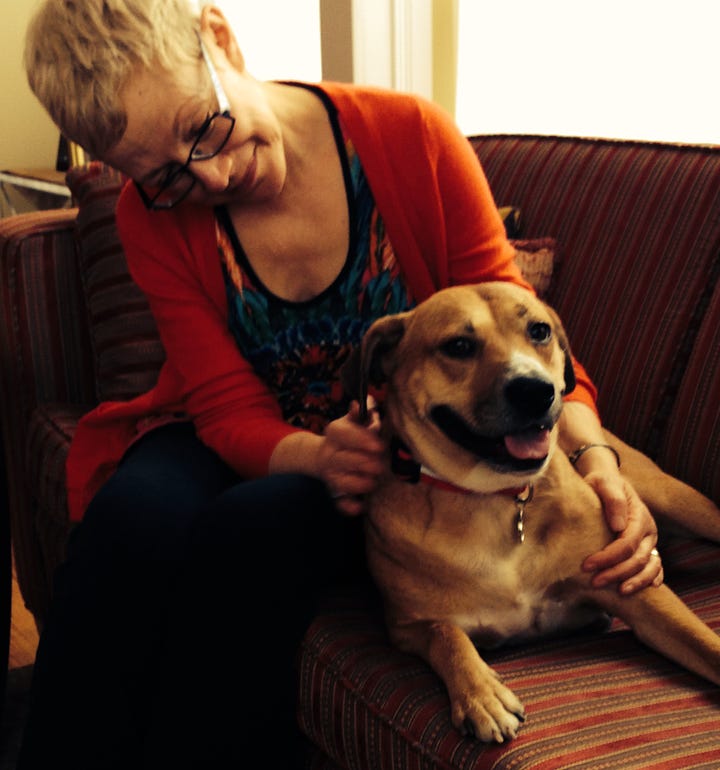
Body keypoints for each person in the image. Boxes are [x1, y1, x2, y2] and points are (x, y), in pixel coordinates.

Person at [20, 1, 662, 767]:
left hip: (398, 446)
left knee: (252, 532)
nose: (212, 174)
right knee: (129, 521)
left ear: (219, 40)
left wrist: (598, 465)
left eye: (205, 128)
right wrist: (316, 456)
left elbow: (525, 331)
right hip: (258, 433)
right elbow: (224, 406)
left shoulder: (408, 136)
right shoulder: (145, 217)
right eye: (164, 176)